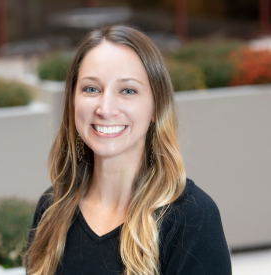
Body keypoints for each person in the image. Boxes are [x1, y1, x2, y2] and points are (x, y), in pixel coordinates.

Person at [23, 25, 232, 275]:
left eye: (128, 90)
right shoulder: (52, 207)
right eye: (91, 89)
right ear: (72, 101)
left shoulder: (192, 217)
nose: (105, 108)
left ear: (157, 107)